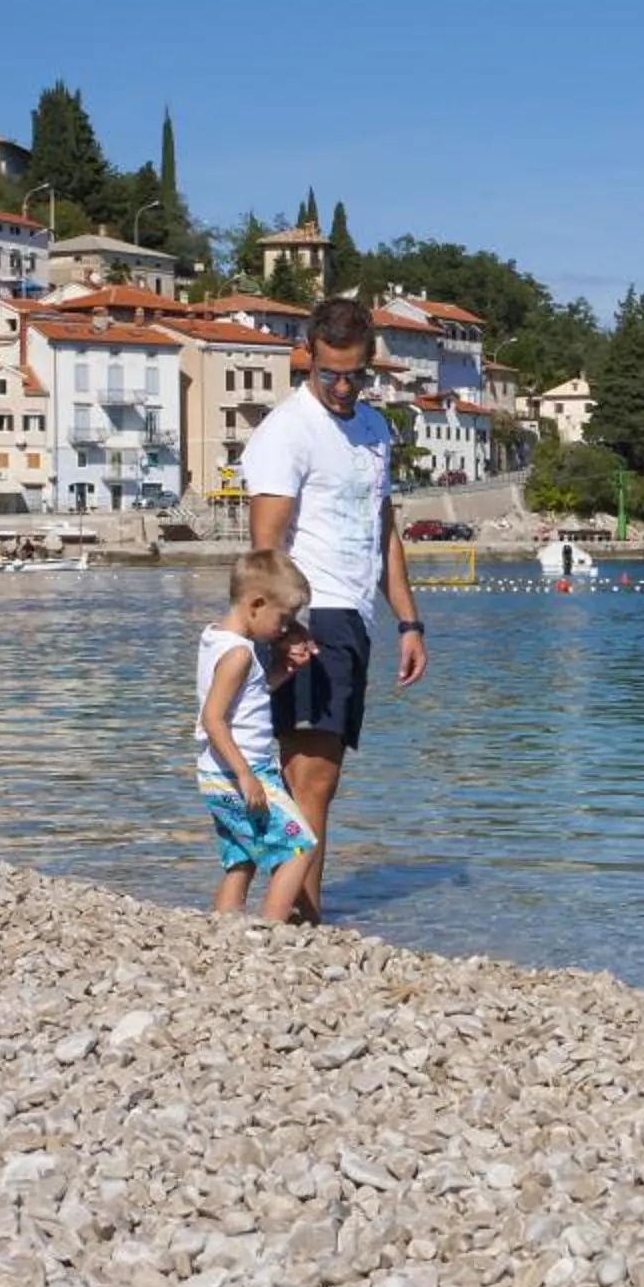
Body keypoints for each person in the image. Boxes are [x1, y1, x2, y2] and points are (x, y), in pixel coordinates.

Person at [243, 294, 428, 921]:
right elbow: (265, 546)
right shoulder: (286, 432)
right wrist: (282, 627)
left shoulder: (375, 429)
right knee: (311, 774)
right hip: (308, 612)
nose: (344, 387)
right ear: (309, 361)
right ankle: (297, 912)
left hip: (354, 617)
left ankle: (292, 904)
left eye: (355, 375)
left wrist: (409, 620)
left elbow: (383, 530)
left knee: (319, 776)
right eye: (331, 374)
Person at [194, 549, 322, 919]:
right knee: (300, 846)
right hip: (241, 772)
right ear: (255, 604)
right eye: (282, 619)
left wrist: (285, 672)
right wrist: (247, 776)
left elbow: (247, 697)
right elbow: (213, 719)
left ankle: (223, 927)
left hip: (216, 774)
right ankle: (271, 927)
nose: (284, 629)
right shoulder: (239, 654)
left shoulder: (215, 640)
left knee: (242, 857)